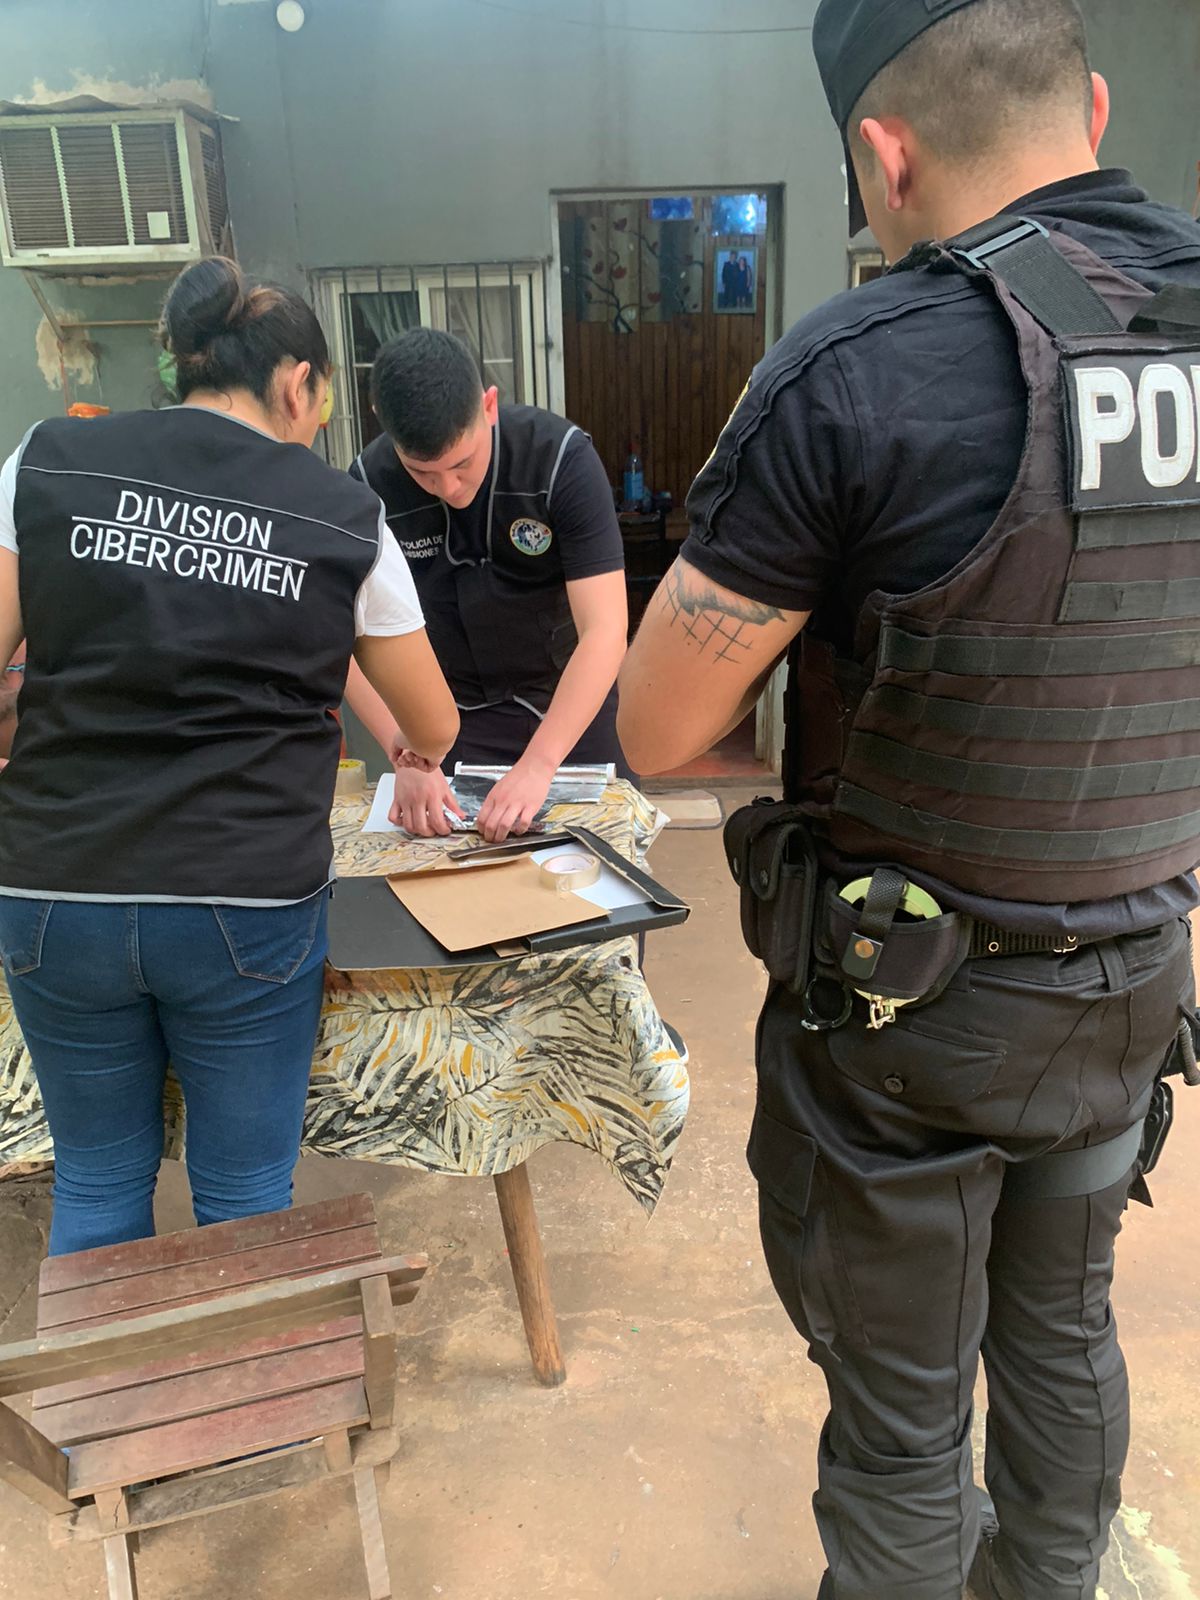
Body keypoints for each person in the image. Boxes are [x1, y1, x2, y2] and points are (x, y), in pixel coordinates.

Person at [617, 2, 1200, 1596]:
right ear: (1091, 106)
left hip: (908, 1015)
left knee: (901, 1423)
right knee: (1063, 1328)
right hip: (1131, 982)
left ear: (884, 155)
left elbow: (662, 724)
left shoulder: (859, 369)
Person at [0, 257, 458, 1257]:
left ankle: (101, 1371)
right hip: (243, 899)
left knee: (97, 1176)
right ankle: (246, 1367)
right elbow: (435, 725)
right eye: (323, 401)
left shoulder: (47, 460)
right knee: (245, 1191)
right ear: (298, 383)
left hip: (56, 885)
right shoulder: (342, 516)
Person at [345, 328, 628, 842]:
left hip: (568, 708)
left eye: (461, 464)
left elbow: (605, 629)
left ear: (489, 406)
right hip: (450, 722)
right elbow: (348, 639)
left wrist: (540, 764)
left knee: (598, 870)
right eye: (423, 474)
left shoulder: (559, 460)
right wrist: (408, 752)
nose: (449, 488)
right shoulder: (368, 487)